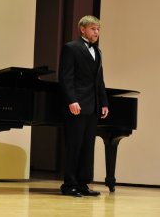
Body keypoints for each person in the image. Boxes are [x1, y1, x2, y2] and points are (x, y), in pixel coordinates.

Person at [58, 15, 109, 197]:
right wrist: (72, 100)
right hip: (77, 104)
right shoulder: (71, 48)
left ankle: (82, 184)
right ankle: (69, 185)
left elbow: (99, 80)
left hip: (93, 106)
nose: (97, 32)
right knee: (74, 145)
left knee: (88, 146)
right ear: (83, 29)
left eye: (98, 29)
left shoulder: (98, 52)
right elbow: (66, 77)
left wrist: (103, 102)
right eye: (93, 29)